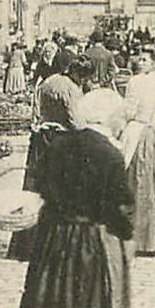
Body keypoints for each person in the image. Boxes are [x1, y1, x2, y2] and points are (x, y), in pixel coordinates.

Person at [10, 89, 135, 308]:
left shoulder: (58, 145)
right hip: (88, 237)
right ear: (110, 118)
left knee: (49, 297)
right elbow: (120, 205)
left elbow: (38, 186)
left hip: (54, 235)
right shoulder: (110, 154)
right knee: (84, 301)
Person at [7, 57, 92, 260]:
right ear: (79, 75)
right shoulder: (71, 89)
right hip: (59, 140)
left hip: (40, 138)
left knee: (34, 188)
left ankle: (27, 242)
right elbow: (75, 120)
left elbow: (36, 110)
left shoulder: (49, 81)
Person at [121, 52, 155, 256]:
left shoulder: (135, 82)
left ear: (153, 63)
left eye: (144, 59)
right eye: (139, 59)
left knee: (136, 181)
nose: (140, 62)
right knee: (152, 182)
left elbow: (129, 111)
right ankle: (153, 238)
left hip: (138, 131)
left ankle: (136, 238)